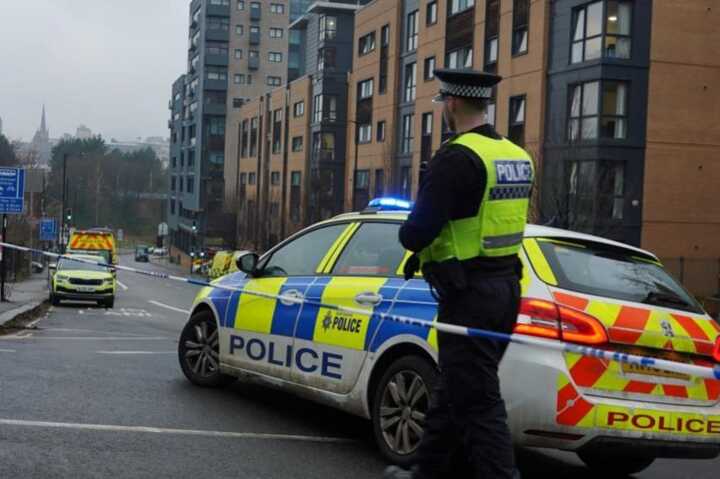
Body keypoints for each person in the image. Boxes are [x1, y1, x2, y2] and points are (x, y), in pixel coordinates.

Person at [384, 68, 534, 479]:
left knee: (478, 400)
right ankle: (425, 472)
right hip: (506, 289)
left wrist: (412, 228)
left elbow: (416, 234)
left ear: (451, 103)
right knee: (453, 392)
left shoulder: (456, 157)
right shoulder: (517, 156)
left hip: (468, 295)